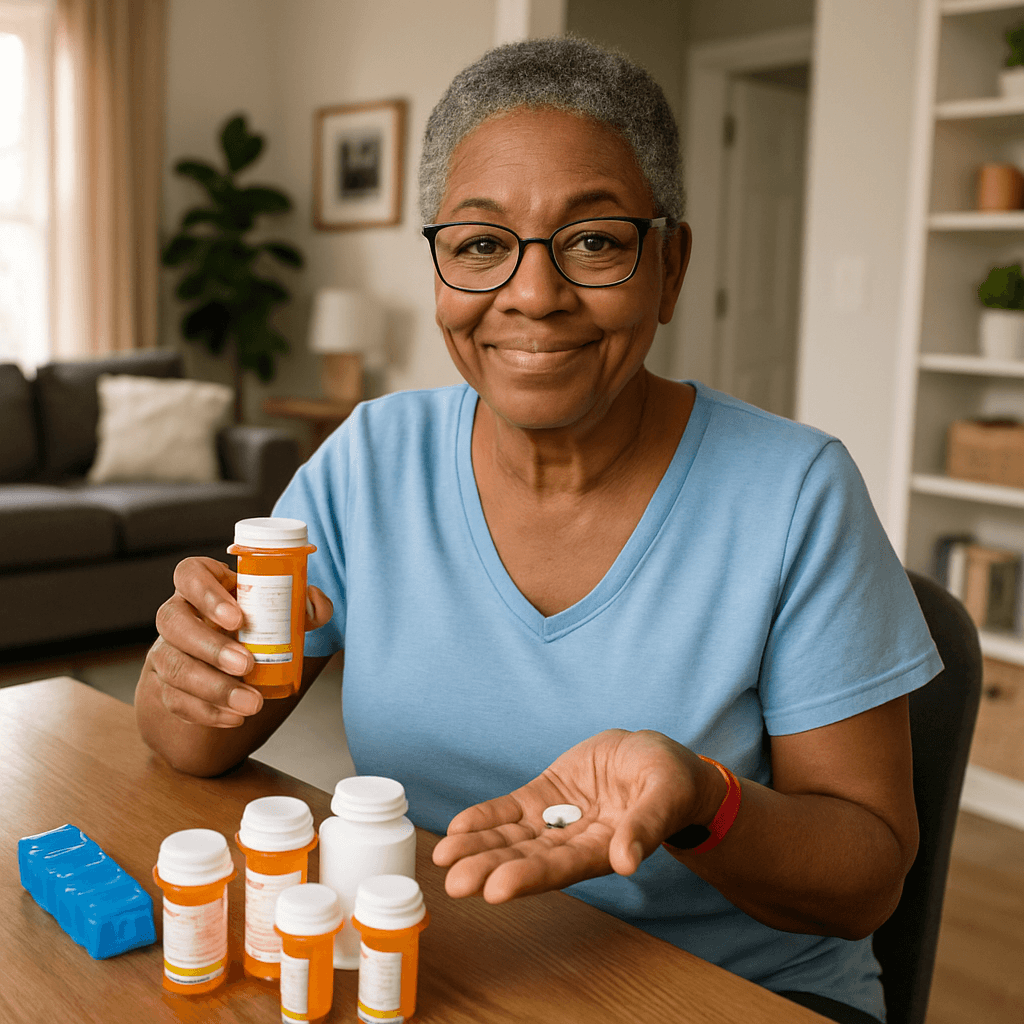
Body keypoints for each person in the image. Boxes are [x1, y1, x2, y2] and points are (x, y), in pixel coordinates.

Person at [135, 37, 942, 1024]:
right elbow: (190, 746)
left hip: (739, 995)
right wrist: (187, 665)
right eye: (479, 244)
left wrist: (699, 798)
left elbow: (864, 881)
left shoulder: (796, 492)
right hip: (451, 972)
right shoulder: (370, 458)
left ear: (669, 266)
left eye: (594, 240)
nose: (532, 293)